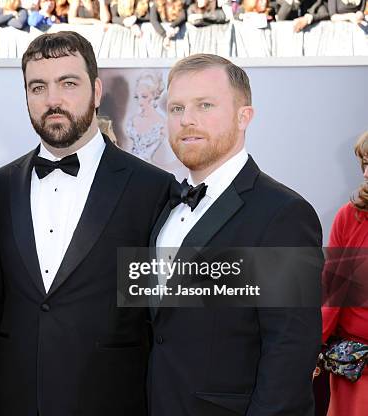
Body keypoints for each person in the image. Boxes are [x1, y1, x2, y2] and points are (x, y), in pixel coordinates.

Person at [0, 31, 176, 416]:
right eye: (37, 87)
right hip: (16, 400)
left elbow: (163, 313)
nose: (52, 100)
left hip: (112, 400)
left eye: (68, 83)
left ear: (96, 90)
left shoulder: (152, 189)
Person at [149, 53, 322, 416]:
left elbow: (290, 352)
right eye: (176, 108)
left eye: (204, 105)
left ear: (245, 116)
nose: (187, 120)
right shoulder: (166, 207)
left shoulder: (283, 215)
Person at [320, 131, 368, 416]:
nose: (365, 172)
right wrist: (312, 344)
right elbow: (332, 292)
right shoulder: (349, 216)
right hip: (356, 366)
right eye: (364, 163)